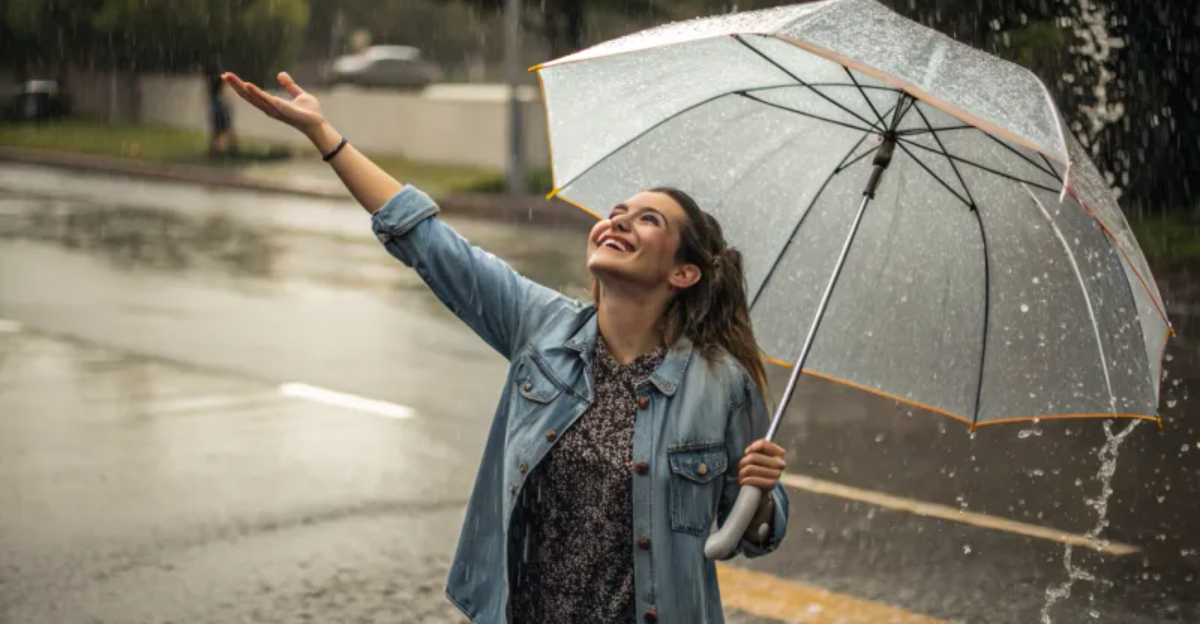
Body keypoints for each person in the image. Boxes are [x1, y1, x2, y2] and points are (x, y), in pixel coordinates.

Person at [221, 71, 789, 624]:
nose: (618, 221)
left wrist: (759, 498)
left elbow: (747, 535)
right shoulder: (542, 330)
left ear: (684, 273)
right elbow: (427, 242)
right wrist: (326, 136)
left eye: (648, 220)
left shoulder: (722, 384)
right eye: (616, 212)